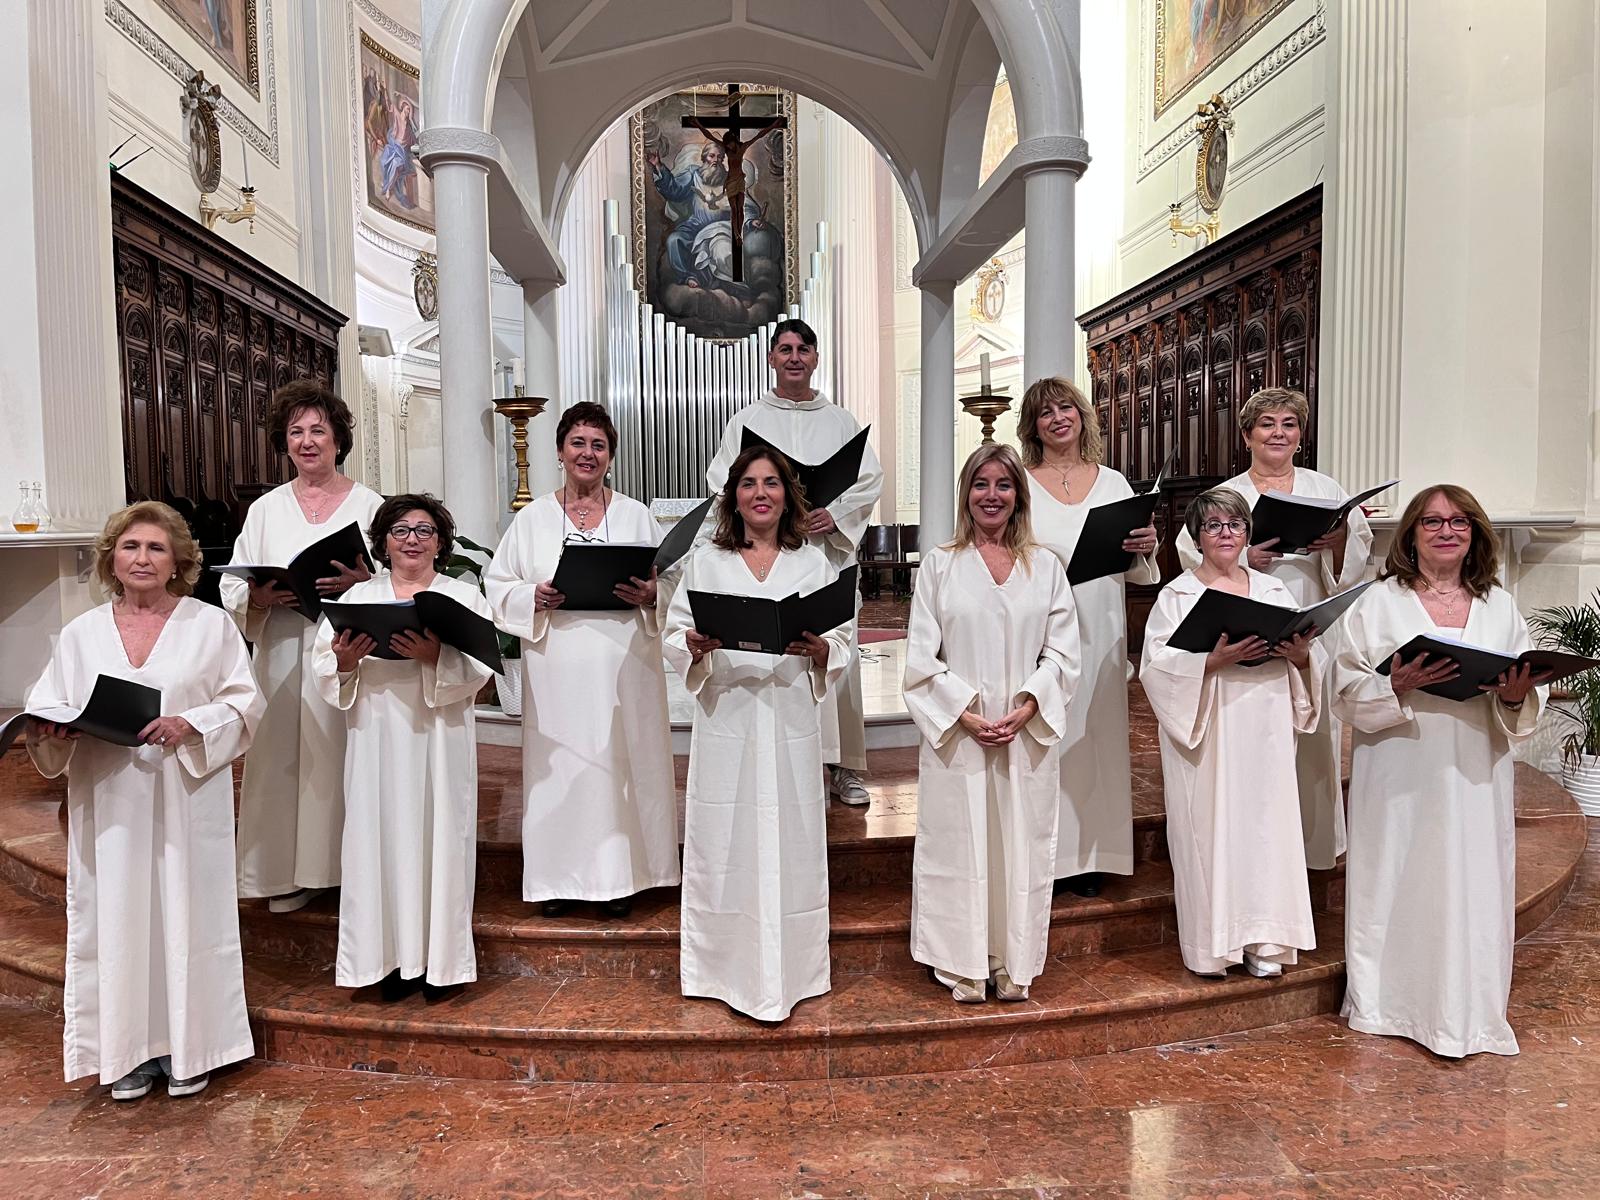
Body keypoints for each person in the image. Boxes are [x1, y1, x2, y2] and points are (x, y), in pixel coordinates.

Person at [24, 502, 263, 1100]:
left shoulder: (209, 625)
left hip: (184, 793)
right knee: (119, 918)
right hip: (109, 799)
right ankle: (126, 1051)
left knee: (188, 916)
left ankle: (193, 1047)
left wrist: (192, 723)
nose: (142, 559)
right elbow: (49, 704)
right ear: (111, 557)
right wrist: (54, 730)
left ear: (179, 561)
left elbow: (244, 703)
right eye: (131, 547)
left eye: (156, 548)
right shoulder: (80, 634)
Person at [1332, 485, 1542, 1057]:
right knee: (1398, 874)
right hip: (1400, 764)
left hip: (1475, 769)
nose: (1446, 531)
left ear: (1475, 534)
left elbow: (1524, 697)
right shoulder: (1379, 603)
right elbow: (1343, 688)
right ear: (1411, 534)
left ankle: (1466, 1012)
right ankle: (1387, 1002)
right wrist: (1391, 685)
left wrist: (1517, 695)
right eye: (1432, 522)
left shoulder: (1500, 605)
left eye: (1459, 523)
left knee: (1471, 883)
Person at [664, 447, 854, 1021]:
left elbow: (842, 635)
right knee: (725, 842)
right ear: (734, 496)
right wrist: (691, 646)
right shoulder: (707, 563)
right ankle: (721, 969)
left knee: (790, 842)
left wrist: (825, 651)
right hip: (728, 718)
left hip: (789, 718)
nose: (761, 493)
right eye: (748, 484)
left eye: (771, 483)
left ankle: (793, 970)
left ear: (787, 495)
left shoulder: (812, 563)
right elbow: (675, 632)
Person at [485, 402, 680, 919]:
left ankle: (623, 877)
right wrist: (533, 596)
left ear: (610, 456)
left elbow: (674, 586)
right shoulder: (531, 520)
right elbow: (497, 584)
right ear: (559, 451)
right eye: (578, 443)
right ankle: (558, 879)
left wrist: (651, 595)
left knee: (622, 761)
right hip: (557, 666)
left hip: (625, 664)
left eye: (598, 445)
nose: (587, 454)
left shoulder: (637, 515)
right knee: (565, 769)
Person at [905, 445, 1080, 1003]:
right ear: (966, 495)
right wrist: (963, 713)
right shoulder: (940, 563)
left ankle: (1014, 960)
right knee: (961, 845)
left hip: (1023, 735)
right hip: (960, 736)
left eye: (1003, 485)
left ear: (1018, 496)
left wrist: (1030, 705)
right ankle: (961, 961)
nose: (991, 495)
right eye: (980, 484)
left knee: (1019, 845)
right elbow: (920, 659)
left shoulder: (1045, 565)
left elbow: (1063, 653)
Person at [1176, 387, 1374, 869]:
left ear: (1300, 436)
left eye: (1288, 424)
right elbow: (1188, 556)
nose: (1278, 433)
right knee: (1252, 735)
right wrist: (1245, 557)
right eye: (1266, 424)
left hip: (1307, 623)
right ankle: (1252, 853)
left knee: (1311, 732)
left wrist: (1339, 540)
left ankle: (1310, 850)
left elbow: (1356, 566)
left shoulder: (1326, 490)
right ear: (1247, 435)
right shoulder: (1225, 497)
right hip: (1243, 623)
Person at [312, 494, 493, 999]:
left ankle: (439, 964)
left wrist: (437, 657)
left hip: (439, 738)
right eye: (401, 531)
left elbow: (480, 670)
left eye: (424, 531)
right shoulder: (354, 600)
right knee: (379, 840)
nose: (412, 539)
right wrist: (345, 663)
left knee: (440, 840)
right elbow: (324, 669)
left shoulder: (463, 595)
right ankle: (387, 961)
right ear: (383, 543)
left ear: (440, 543)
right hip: (376, 735)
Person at [1140, 487, 1321, 978]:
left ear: (1248, 534)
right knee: (1210, 831)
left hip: (1264, 728)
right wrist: (1210, 662)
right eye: (1215, 525)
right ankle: (1215, 947)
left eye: (1236, 525)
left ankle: (1266, 941)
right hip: (1209, 729)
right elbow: (1154, 670)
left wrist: (1302, 657)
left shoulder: (1273, 592)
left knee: (1266, 832)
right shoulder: (1177, 596)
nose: (1226, 533)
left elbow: (1309, 657)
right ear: (1197, 536)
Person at [702, 318, 883, 806]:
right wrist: (771, 514)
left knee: (830, 652)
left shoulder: (841, 421)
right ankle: (781, 759)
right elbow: (723, 481)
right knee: (776, 654)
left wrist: (835, 514)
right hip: (767, 556)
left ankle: (842, 764)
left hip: (826, 553)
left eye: (804, 349)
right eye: (785, 349)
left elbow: (868, 483)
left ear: (816, 358)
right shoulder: (747, 421)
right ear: (771, 359)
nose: (795, 357)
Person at [220, 381, 384, 913]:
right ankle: (277, 872)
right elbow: (232, 584)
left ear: (338, 439)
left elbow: (399, 576)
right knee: (279, 759)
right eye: (296, 432)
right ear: (283, 443)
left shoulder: (370, 504)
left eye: (318, 430)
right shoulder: (266, 509)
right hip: (281, 649)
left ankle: (335, 870)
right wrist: (259, 595)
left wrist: (366, 579)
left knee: (333, 755)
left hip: (345, 649)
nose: (307, 441)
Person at [1018, 377, 1159, 899]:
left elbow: (1139, 563)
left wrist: (1146, 544)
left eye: (1066, 408)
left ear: (1083, 415)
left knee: (1096, 736)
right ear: (1033, 426)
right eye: (1045, 412)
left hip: (1101, 623)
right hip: (1042, 626)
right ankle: (1046, 854)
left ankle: (1093, 854)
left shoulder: (1114, 481)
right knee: (1048, 733)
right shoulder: (1023, 481)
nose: (1058, 418)